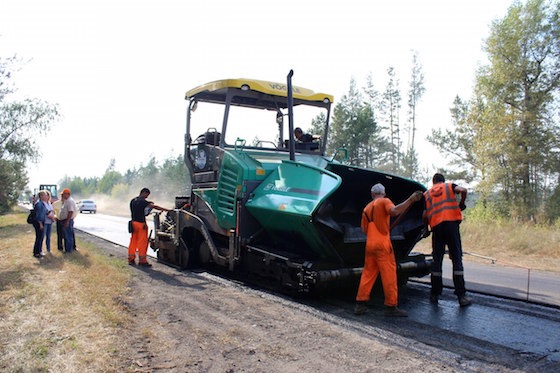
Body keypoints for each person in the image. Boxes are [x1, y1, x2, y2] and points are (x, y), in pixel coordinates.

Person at [354, 184, 424, 317]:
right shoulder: (385, 201)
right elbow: (394, 211)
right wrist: (411, 200)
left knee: (368, 273)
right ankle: (391, 307)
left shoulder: (366, 208)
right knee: (389, 275)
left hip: (370, 244)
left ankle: (360, 304)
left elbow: (364, 229)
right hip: (382, 244)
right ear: (383, 193)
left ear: (372, 194)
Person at [423, 173, 472, 307]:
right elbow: (463, 190)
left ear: (433, 183)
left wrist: (426, 229)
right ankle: (461, 296)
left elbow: (424, 214)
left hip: (437, 228)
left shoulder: (427, 194)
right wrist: (461, 203)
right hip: (451, 226)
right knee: (456, 259)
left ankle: (435, 294)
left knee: (437, 260)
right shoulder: (449, 186)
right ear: (442, 181)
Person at [128, 188, 170, 267]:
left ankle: (131, 259)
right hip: (141, 224)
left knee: (133, 241)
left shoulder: (133, 201)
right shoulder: (143, 201)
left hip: (133, 223)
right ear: (143, 193)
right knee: (142, 242)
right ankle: (142, 260)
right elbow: (155, 207)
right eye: (147, 195)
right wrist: (167, 210)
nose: (146, 197)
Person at [58, 188, 78, 253]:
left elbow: (70, 212)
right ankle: (68, 249)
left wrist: (67, 221)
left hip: (67, 220)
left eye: (63, 194)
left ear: (67, 194)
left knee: (68, 236)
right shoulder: (67, 201)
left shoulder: (70, 201)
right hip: (66, 220)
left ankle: (69, 250)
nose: (62, 196)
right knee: (67, 235)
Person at [32, 190, 48, 258]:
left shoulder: (42, 203)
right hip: (39, 222)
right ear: (41, 196)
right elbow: (38, 216)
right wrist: (40, 224)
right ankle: (36, 252)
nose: (46, 196)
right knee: (39, 237)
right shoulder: (39, 204)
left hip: (42, 221)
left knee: (41, 237)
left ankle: (39, 251)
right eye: (45, 195)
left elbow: (44, 212)